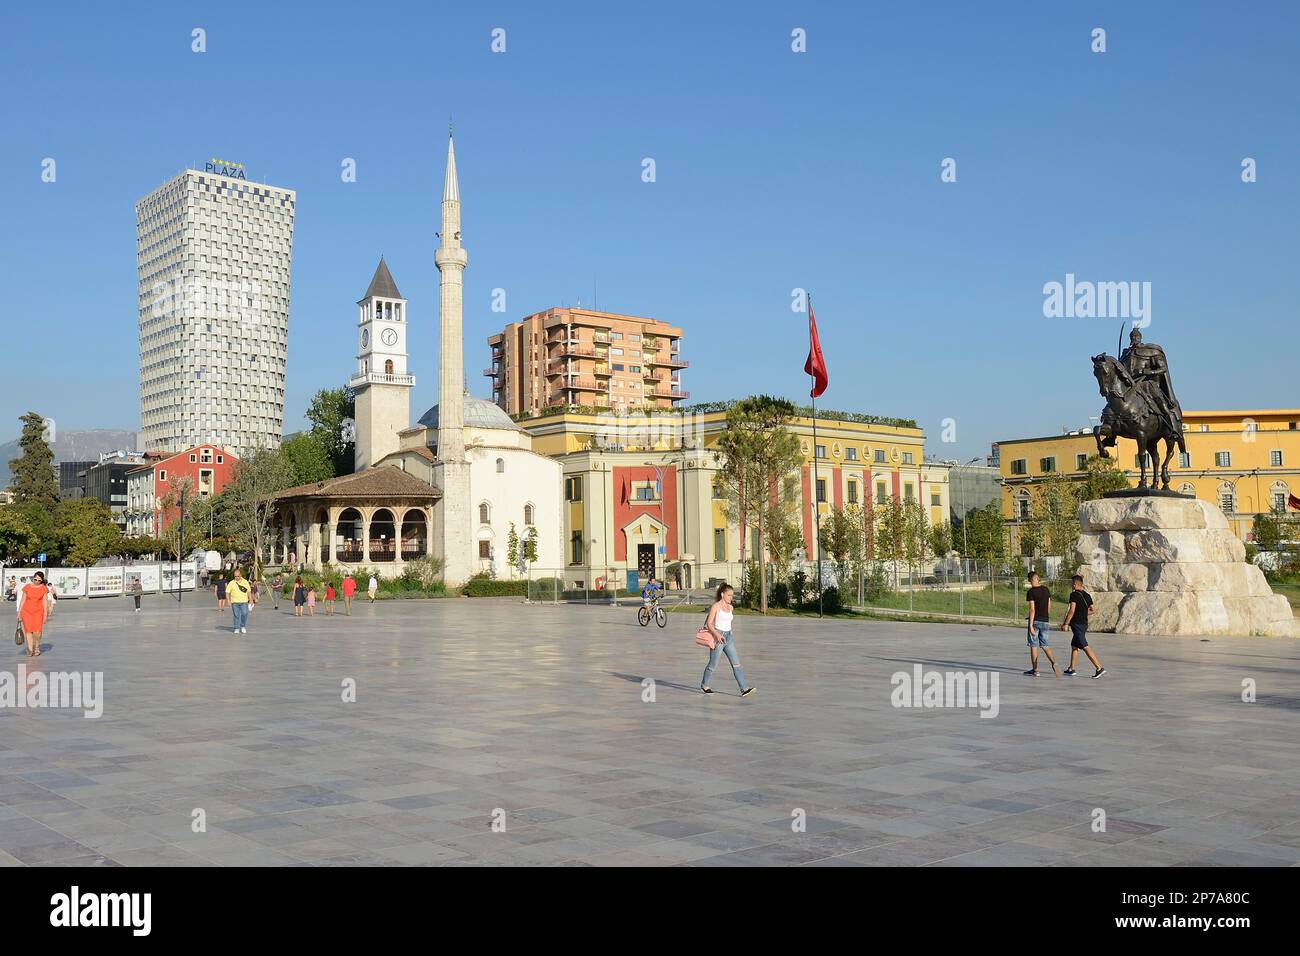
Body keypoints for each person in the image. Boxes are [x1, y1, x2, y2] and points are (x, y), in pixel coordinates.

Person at [700, 583, 755, 697]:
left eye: (732, 595)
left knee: (736, 664)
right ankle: (705, 685)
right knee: (713, 665)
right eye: (729, 595)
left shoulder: (730, 607)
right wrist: (717, 635)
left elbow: (728, 622)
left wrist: (730, 633)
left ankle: (744, 689)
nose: (731, 597)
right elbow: (709, 624)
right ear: (722, 594)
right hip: (718, 638)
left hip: (729, 638)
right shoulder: (716, 606)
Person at [1061, 573, 1106, 678]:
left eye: (1072, 583)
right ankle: (1071, 668)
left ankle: (1099, 668)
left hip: (1077, 624)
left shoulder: (1074, 595)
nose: (1071, 585)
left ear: (1075, 584)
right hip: (1084, 624)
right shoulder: (1087, 595)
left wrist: (1066, 623)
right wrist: (1082, 613)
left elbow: (1072, 610)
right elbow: (1092, 610)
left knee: (1085, 646)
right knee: (1074, 646)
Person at [1024, 571, 1060, 677]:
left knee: (1033, 645)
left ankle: (1035, 670)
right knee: (1045, 645)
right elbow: (1049, 606)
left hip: (1035, 621)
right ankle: (1054, 662)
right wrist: (1045, 617)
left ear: (1031, 580)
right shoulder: (1046, 590)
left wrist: (1030, 625)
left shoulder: (1031, 592)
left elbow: (1032, 609)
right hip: (1045, 620)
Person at [16, 571, 52, 658]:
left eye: (39, 580)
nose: (36, 581)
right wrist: (19, 612)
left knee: (37, 631)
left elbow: (44, 602)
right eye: (35, 579)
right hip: (26, 612)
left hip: (38, 612)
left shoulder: (44, 588)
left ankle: (37, 647)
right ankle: (30, 649)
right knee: (28, 631)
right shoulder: (27, 587)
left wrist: (45, 615)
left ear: (42, 580)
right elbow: (23, 600)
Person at [227, 569, 251, 634]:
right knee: (236, 615)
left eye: (238, 576)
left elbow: (248, 591)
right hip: (234, 602)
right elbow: (227, 592)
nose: (236, 577)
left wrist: (251, 600)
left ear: (240, 575)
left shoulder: (245, 582)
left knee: (245, 613)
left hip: (244, 602)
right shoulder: (231, 583)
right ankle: (236, 628)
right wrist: (228, 600)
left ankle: (242, 626)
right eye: (235, 576)